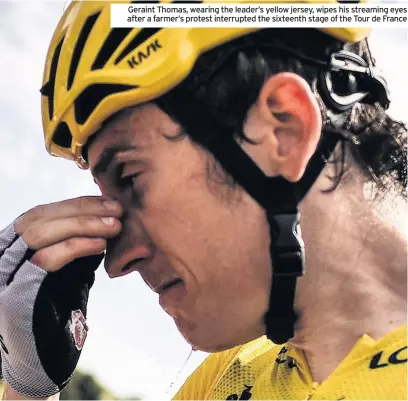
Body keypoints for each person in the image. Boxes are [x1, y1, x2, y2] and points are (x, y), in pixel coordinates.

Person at [1, 0, 407, 399]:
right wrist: (29, 387)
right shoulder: (230, 376)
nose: (116, 260)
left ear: (284, 129)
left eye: (129, 176)